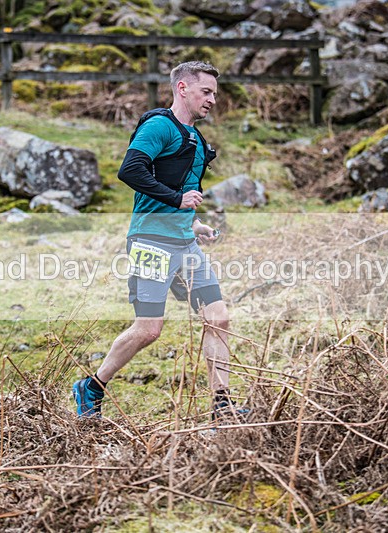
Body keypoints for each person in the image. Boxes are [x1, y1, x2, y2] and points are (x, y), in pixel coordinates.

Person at [72, 61, 244, 421]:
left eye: (215, 93)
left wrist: (193, 223)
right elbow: (130, 170)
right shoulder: (159, 126)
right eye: (206, 92)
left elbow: (180, 192)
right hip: (150, 242)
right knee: (149, 329)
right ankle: (92, 386)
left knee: (218, 318)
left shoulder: (197, 140)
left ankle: (222, 408)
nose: (212, 99)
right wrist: (177, 200)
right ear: (183, 88)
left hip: (185, 244)